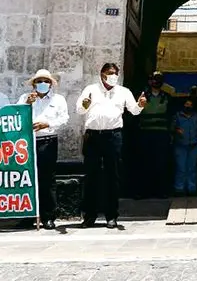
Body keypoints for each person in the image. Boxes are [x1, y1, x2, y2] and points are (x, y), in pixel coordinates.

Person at [76, 63, 146, 228]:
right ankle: (89, 215)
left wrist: (141, 105)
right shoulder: (91, 89)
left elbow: (134, 110)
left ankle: (111, 216)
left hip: (113, 136)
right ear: (102, 74)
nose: (113, 76)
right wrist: (85, 105)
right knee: (91, 175)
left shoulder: (123, 92)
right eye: (109, 73)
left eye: (115, 73)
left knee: (112, 176)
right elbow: (80, 110)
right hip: (93, 136)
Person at [17, 69, 68, 229]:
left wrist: (48, 124)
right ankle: (27, 216)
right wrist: (27, 104)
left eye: (46, 81)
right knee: (27, 178)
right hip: (28, 142)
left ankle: (48, 216)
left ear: (51, 84)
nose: (42, 84)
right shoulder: (25, 98)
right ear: (34, 84)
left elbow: (64, 118)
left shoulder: (58, 99)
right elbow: (15, 115)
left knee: (47, 179)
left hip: (48, 140)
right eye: (39, 81)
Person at [136, 71, 173, 198]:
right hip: (145, 134)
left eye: (158, 79)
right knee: (144, 163)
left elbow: (171, 117)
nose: (155, 82)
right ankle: (142, 192)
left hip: (161, 135)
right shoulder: (143, 96)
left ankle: (161, 191)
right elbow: (134, 114)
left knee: (161, 164)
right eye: (153, 79)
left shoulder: (167, 97)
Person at [170, 88, 197, 196]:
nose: (188, 106)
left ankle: (192, 188)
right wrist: (176, 130)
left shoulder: (196, 116)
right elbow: (171, 128)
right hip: (180, 145)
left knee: (192, 168)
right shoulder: (177, 115)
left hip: (194, 144)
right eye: (186, 104)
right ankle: (179, 188)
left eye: (190, 104)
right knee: (181, 168)